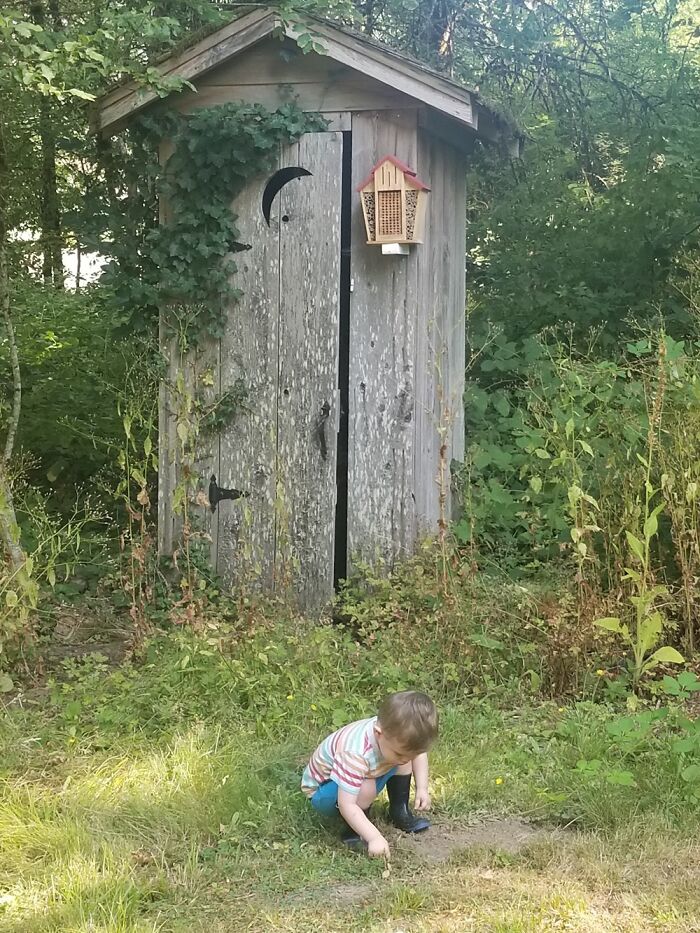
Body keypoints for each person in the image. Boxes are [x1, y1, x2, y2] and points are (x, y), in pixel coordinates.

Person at [301, 690, 438, 858]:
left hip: (363, 772)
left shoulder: (394, 736)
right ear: (378, 734)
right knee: (366, 788)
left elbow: (417, 754)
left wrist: (422, 788)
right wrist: (374, 837)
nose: (405, 759)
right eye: (399, 753)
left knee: (403, 760)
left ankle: (399, 811)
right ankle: (352, 833)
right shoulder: (355, 753)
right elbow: (347, 804)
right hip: (324, 791)